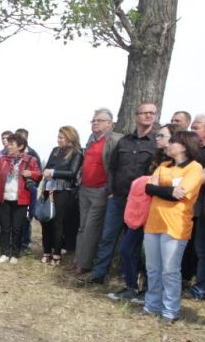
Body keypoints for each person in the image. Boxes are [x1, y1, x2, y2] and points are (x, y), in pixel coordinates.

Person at [82, 102, 158, 284]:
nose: (148, 116)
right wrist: (110, 191)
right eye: (144, 113)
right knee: (108, 237)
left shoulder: (156, 143)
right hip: (118, 197)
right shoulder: (124, 141)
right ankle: (99, 274)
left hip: (141, 201)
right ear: (136, 116)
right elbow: (113, 168)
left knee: (134, 242)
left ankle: (128, 277)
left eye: (152, 113)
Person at [109, 123, 179, 301]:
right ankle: (131, 286)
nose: (157, 139)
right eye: (157, 136)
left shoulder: (178, 165)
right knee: (127, 248)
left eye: (162, 136)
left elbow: (169, 189)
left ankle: (149, 291)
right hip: (141, 210)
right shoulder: (156, 159)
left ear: (175, 140)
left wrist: (154, 188)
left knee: (151, 255)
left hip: (161, 214)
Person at [141, 130, 204, 323]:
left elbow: (181, 193)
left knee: (170, 269)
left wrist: (160, 190)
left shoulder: (194, 168)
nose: (168, 145)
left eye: (173, 142)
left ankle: (170, 310)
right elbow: (148, 188)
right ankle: (152, 304)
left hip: (175, 225)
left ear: (184, 146)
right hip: (153, 222)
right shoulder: (163, 165)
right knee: (152, 267)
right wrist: (167, 190)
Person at [72, 108, 123, 274]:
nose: (95, 123)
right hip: (85, 188)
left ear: (110, 123)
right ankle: (78, 260)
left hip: (101, 190)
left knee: (91, 228)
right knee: (82, 227)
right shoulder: (91, 140)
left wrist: (111, 187)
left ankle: (84, 264)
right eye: (93, 121)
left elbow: (116, 166)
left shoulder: (115, 140)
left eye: (100, 120)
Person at [0, 133, 41, 263]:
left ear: (21, 146)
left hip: (21, 199)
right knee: (5, 227)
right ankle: (4, 252)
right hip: (5, 197)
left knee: (17, 227)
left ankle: (15, 254)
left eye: (12, 144)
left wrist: (31, 173)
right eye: (8, 143)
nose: (8, 146)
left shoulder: (30, 160)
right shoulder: (3, 159)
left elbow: (39, 175)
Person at [39, 126, 83, 266]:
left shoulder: (77, 153)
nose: (59, 140)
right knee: (46, 220)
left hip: (63, 191)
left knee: (58, 222)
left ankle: (57, 253)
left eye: (61, 138)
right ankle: (46, 251)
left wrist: (53, 172)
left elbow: (72, 173)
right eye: (58, 137)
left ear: (70, 138)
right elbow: (48, 166)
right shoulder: (55, 150)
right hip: (48, 189)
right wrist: (47, 171)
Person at [188, 114, 205, 300]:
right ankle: (200, 287)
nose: (192, 131)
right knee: (202, 249)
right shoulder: (194, 150)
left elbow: (203, 178)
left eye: (196, 128)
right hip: (202, 208)